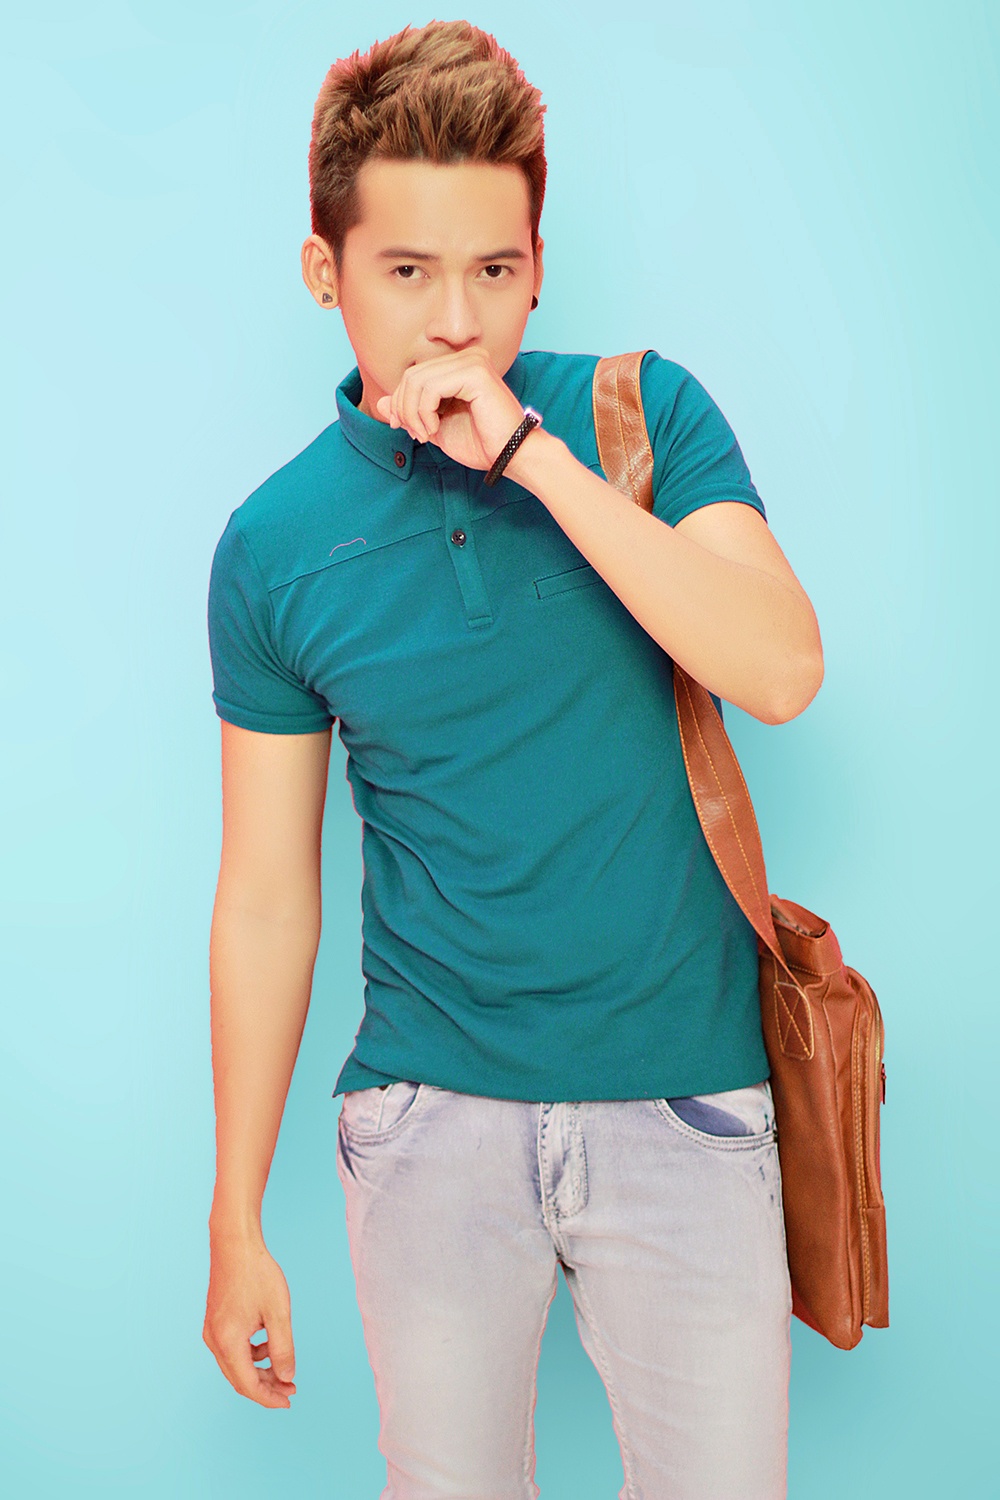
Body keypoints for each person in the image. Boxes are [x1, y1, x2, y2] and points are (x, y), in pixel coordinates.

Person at [202, 19, 824, 1500]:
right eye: (406, 273)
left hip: (685, 1106)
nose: (454, 322)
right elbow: (267, 897)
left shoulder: (642, 418)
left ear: (539, 265)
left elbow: (781, 669)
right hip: (430, 1123)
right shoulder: (274, 547)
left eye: (493, 270)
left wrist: (534, 456)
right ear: (327, 274)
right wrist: (235, 1215)